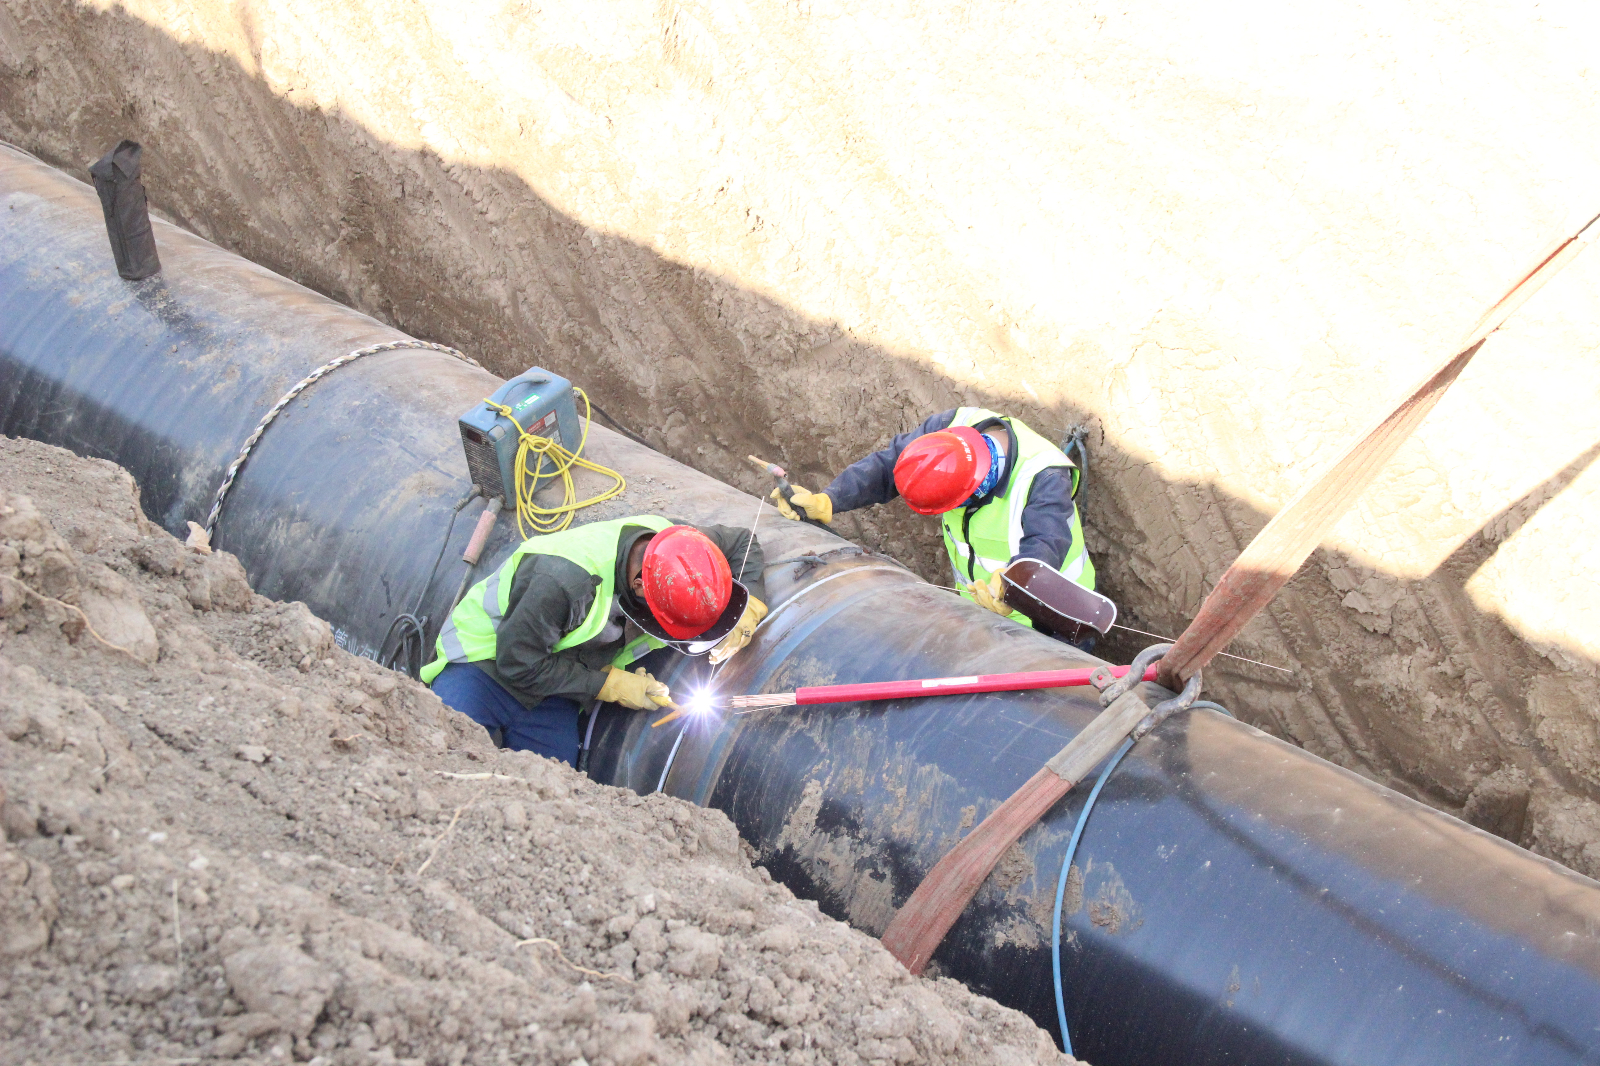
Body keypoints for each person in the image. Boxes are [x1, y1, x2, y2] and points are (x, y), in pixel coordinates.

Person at [421, 516, 766, 764]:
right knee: (445, 758)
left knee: (554, 794)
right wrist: (608, 685)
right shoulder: (562, 582)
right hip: (485, 667)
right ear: (640, 587)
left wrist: (750, 607)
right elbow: (517, 663)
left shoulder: (683, 547)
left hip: (555, 688)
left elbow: (743, 542)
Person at [772, 407, 1094, 633]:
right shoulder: (949, 429)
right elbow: (889, 465)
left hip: (1054, 616)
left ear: (975, 490)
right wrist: (830, 498)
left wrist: (1015, 586)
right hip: (981, 610)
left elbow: (1046, 542)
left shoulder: (1044, 477)